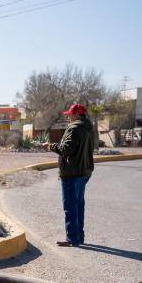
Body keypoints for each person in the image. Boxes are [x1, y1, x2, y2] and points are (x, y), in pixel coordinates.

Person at [42, 103, 94, 247]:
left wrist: (50, 146)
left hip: (72, 173)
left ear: (76, 114)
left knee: (70, 206)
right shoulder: (89, 128)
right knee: (78, 205)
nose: (69, 117)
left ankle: (72, 238)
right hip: (84, 171)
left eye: (70, 114)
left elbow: (66, 149)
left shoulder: (75, 128)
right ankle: (79, 237)